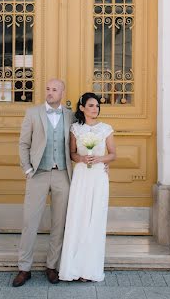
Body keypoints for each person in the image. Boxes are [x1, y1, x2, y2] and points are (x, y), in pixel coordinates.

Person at [12, 78, 74, 287]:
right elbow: (23, 143)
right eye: (47, 88)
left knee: (59, 223)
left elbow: (77, 145)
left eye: (54, 89)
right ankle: (24, 268)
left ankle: (52, 266)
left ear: (62, 93)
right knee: (30, 222)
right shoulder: (33, 113)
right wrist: (28, 170)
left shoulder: (70, 115)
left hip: (62, 174)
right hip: (37, 173)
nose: (50, 92)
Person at [58, 92, 116, 283]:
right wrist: (82, 158)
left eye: (97, 106)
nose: (95, 109)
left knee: (95, 217)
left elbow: (113, 154)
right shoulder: (75, 128)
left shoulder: (106, 129)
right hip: (82, 175)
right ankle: (74, 267)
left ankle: (90, 268)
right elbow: (72, 153)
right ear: (82, 108)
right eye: (91, 105)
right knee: (79, 216)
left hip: (98, 176)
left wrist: (100, 158)